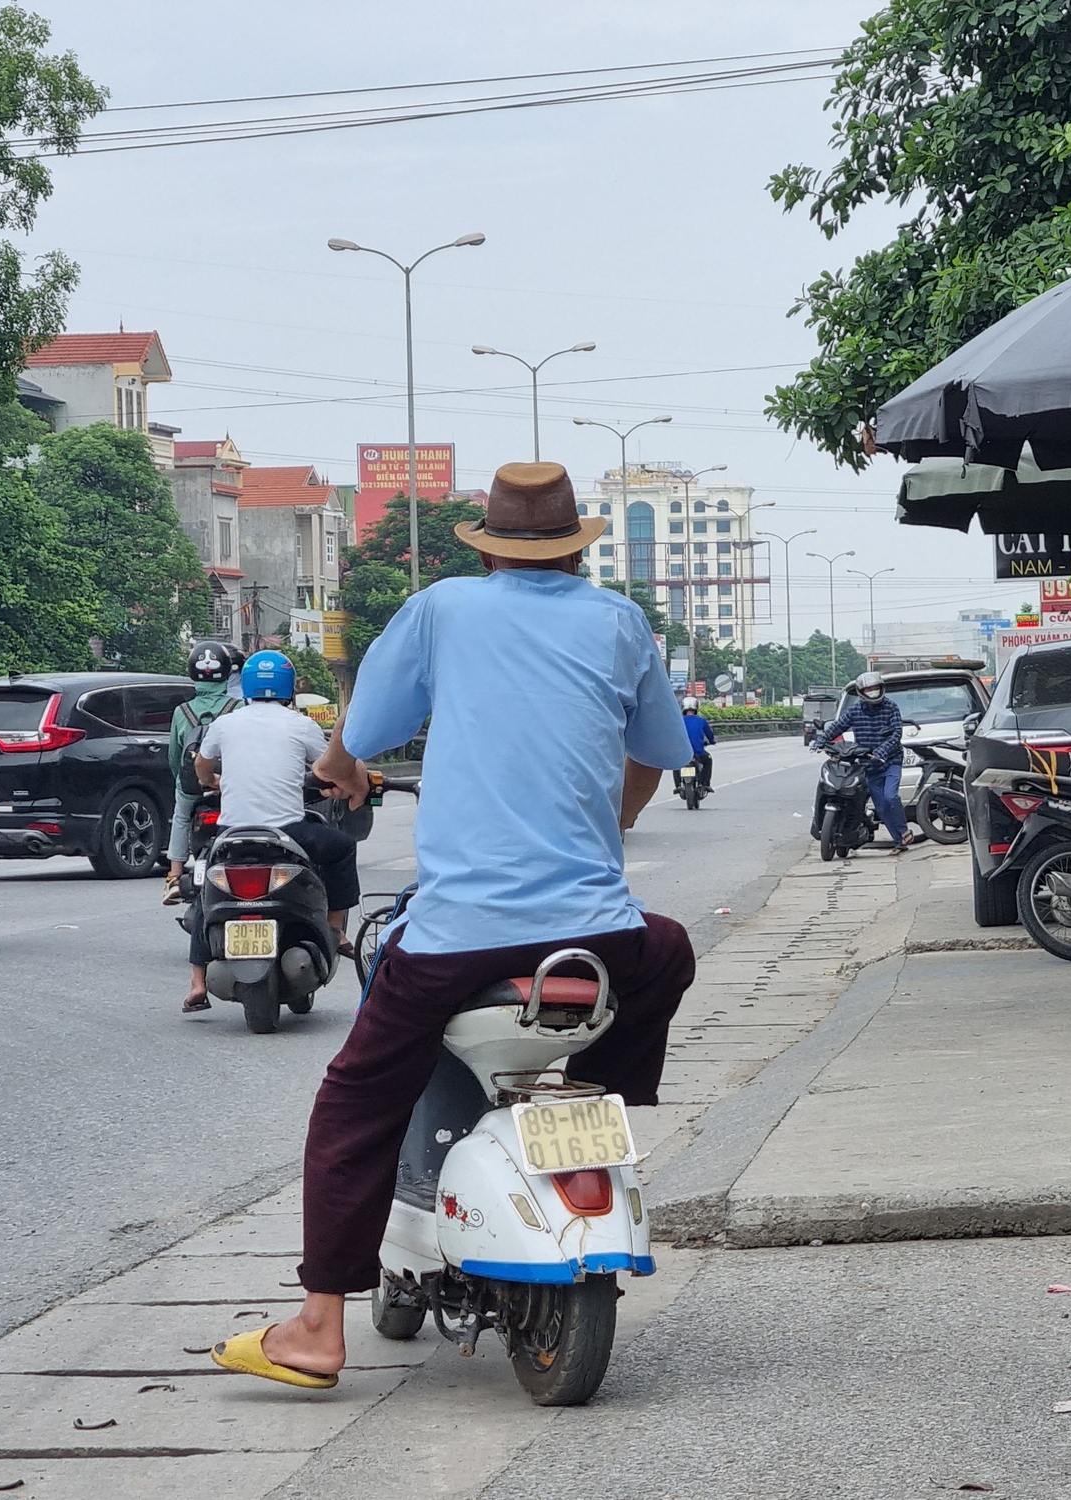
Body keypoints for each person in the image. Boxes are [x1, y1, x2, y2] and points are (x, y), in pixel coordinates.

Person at [208, 460, 696, 1391]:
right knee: (668, 951)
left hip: (458, 940)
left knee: (355, 1102)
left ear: (488, 549)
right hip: (597, 937)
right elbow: (654, 755)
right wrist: (617, 822)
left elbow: (363, 732)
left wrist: (342, 770)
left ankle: (317, 1328)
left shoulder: (442, 609)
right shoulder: (620, 622)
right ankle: (590, 1098)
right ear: (575, 551)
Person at [180, 650, 362, 1015]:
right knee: (342, 848)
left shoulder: (226, 724)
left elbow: (201, 765)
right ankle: (335, 929)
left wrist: (212, 781)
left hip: (232, 833)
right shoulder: (301, 725)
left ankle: (197, 982)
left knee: (206, 889)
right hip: (287, 832)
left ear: (246, 686)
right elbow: (329, 767)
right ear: (289, 688)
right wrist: (343, 787)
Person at [163, 641, 242, 906]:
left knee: (181, 816)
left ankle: (174, 877)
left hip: (191, 784)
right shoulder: (238, 707)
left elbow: (174, 757)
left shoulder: (181, 712)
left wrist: (183, 780)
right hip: (228, 784)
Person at [813, 669, 910, 853]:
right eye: (869, 689)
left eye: (875, 688)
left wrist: (881, 751)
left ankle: (903, 829)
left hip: (891, 761)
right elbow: (838, 726)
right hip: (868, 765)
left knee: (891, 797)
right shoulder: (855, 711)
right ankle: (900, 841)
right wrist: (820, 741)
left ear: (882, 688)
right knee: (881, 806)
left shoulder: (891, 707)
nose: (873, 692)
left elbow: (896, 733)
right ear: (861, 692)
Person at [674, 695, 716, 793]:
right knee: (708, 760)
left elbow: (673, 735)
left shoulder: (679, 721)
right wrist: (712, 741)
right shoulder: (701, 721)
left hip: (682, 753)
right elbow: (709, 734)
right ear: (696, 707)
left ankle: (678, 785)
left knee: (676, 763)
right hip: (698, 753)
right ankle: (705, 784)